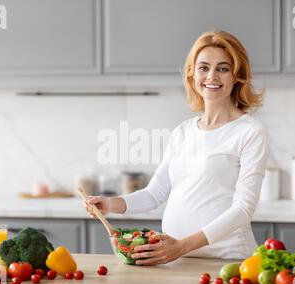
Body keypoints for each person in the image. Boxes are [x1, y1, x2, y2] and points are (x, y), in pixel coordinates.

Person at [84, 31, 270, 265]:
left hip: (227, 260)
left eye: (222, 68)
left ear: (237, 76)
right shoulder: (182, 132)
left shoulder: (250, 132)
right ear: (192, 74)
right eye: (204, 67)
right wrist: (109, 204)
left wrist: (181, 246)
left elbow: (243, 210)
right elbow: (154, 194)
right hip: (178, 260)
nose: (212, 76)